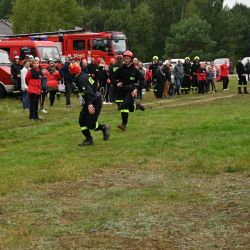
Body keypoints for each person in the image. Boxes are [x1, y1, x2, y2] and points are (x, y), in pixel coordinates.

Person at [69, 62, 111, 146]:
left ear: (72, 72)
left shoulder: (81, 79)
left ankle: (103, 127)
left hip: (94, 101)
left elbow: (89, 92)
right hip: (91, 100)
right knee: (82, 120)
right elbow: (94, 85)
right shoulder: (83, 76)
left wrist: (90, 104)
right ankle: (89, 139)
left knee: (91, 124)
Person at [115, 50, 145, 131]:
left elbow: (142, 80)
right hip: (122, 90)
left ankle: (123, 124)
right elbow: (113, 77)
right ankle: (137, 106)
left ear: (131, 59)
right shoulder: (121, 68)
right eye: (124, 58)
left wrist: (137, 89)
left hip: (131, 91)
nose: (126, 60)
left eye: (127, 58)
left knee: (124, 105)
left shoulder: (135, 70)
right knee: (131, 109)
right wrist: (117, 82)